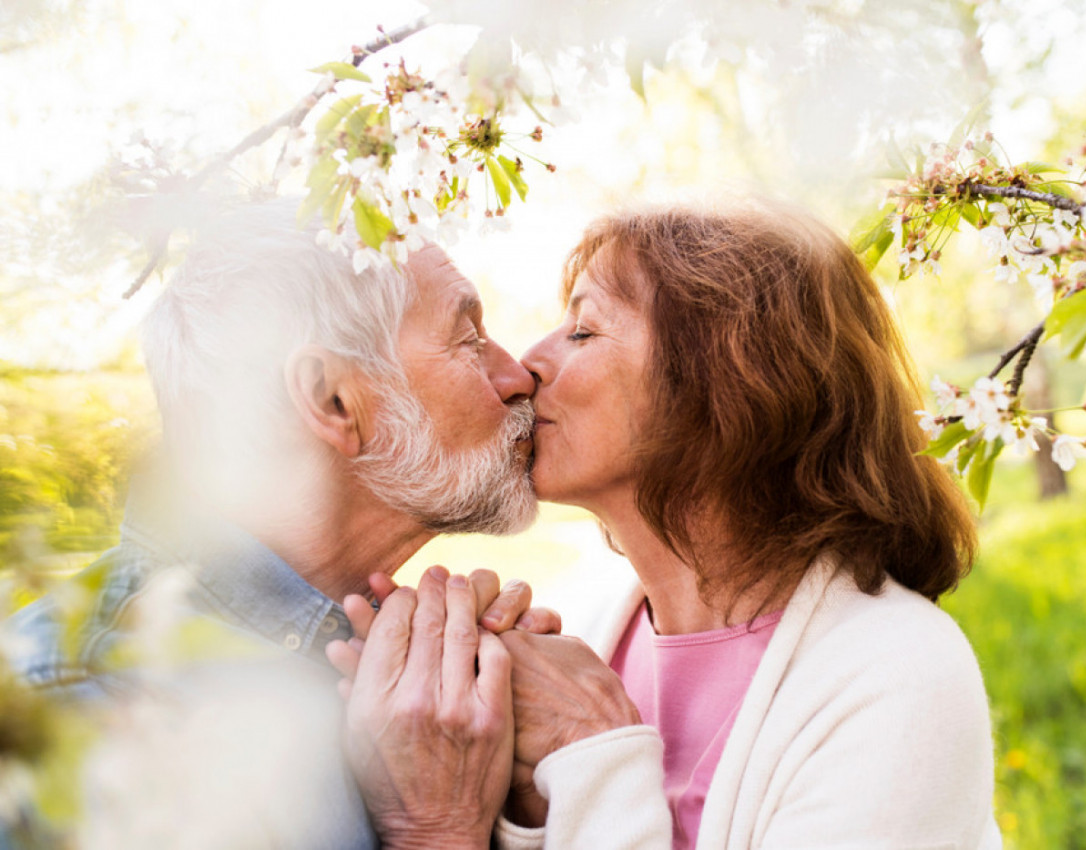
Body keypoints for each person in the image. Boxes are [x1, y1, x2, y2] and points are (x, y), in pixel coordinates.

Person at [336, 199, 1001, 849]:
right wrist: (523, 795)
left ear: (729, 385)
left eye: (584, 331)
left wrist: (586, 751)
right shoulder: (578, 630)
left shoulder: (896, 676)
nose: (526, 365)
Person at [1, 199, 557, 849]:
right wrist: (437, 831)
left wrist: (530, 805)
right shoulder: (86, 705)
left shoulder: (420, 671)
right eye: (468, 339)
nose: (516, 375)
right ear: (332, 399)